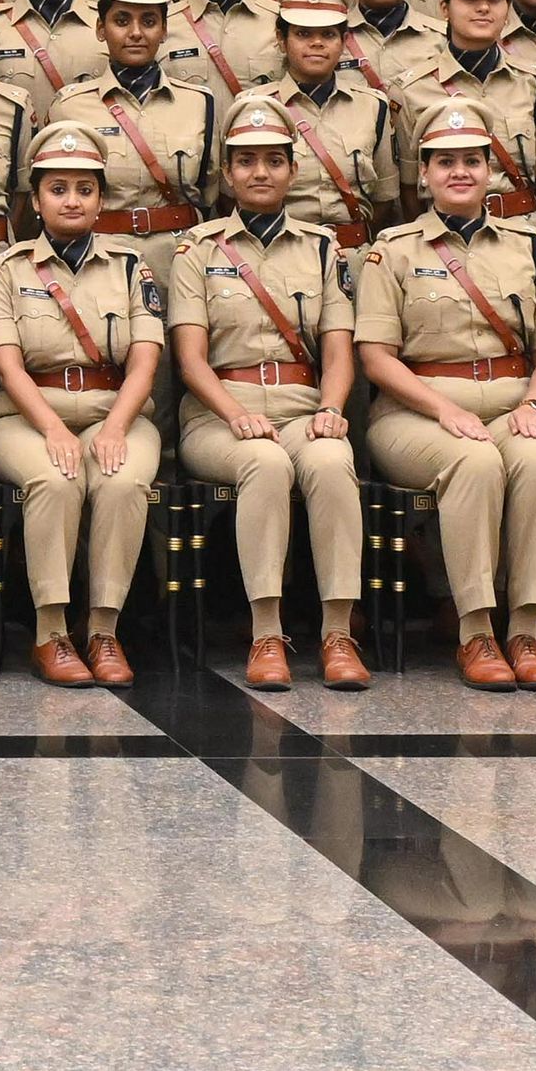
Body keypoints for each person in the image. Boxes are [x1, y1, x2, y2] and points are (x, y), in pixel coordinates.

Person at [172, 94, 366, 691]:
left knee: (331, 461)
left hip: (301, 408)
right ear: (227, 174)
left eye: (274, 160)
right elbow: (191, 360)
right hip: (218, 417)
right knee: (264, 462)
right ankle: (266, 632)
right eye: (247, 161)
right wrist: (235, 414)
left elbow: (338, 350)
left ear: (293, 169)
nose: (261, 172)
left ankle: (338, 633)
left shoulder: (322, 247)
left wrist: (331, 409)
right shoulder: (197, 249)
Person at [0, 119, 167, 686]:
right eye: (57, 189)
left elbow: (145, 361)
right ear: (35, 200)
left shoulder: (130, 266)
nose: (72, 200)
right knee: (54, 479)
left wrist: (117, 427)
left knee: (122, 481)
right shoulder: (6, 269)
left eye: (85, 188)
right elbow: (6, 364)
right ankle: (51, 632)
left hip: (114, 410)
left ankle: (103, 629)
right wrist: (53, 429)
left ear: (102, 199)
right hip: (25, 416)